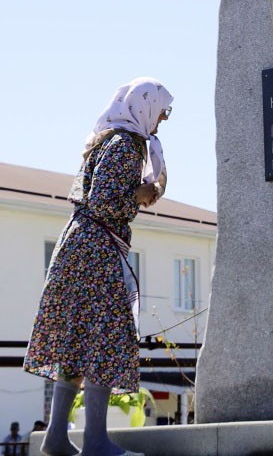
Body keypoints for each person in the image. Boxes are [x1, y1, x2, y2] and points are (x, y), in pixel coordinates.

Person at [23, 77, 174, 456]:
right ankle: (94, 442)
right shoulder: (126, 144)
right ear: (143, 107)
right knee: (104, 337)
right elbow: (105, 201)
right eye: (162, 110)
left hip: (79, 245)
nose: (163, 119)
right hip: (97, 250)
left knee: (78, 340)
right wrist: (140, 195)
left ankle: (57, 437)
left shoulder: (107, 139)